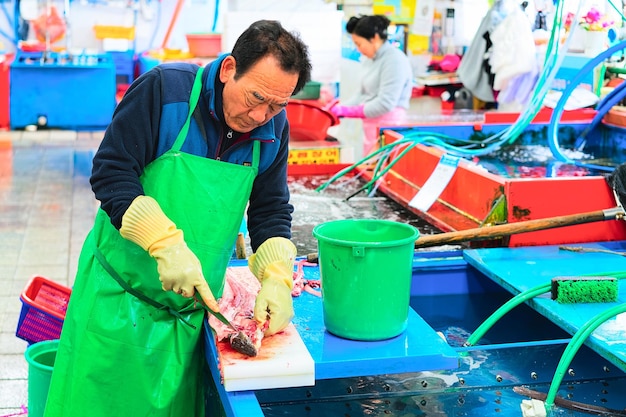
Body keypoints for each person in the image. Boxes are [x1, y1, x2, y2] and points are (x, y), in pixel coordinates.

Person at [44, 19, 311, 417]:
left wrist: (276, 274)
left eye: (277, 105)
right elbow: (111, 172)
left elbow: (270, 207)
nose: (261, 115)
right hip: (118, 302)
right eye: (256, 97)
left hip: (187, 315)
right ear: (228, 70)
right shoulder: (164, 91)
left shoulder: (274, 127)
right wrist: (164, 244)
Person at [329, 14, 413, 154]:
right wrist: (341, 107)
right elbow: (362, 94)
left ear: (374, 38)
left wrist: (350, 112)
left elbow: (385, 103)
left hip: (390, 129)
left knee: (385, 169)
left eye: (359, 44)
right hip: (371, 128)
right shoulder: (370, 59)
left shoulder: (394, 60)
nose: (357, 49)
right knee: (371, 169)